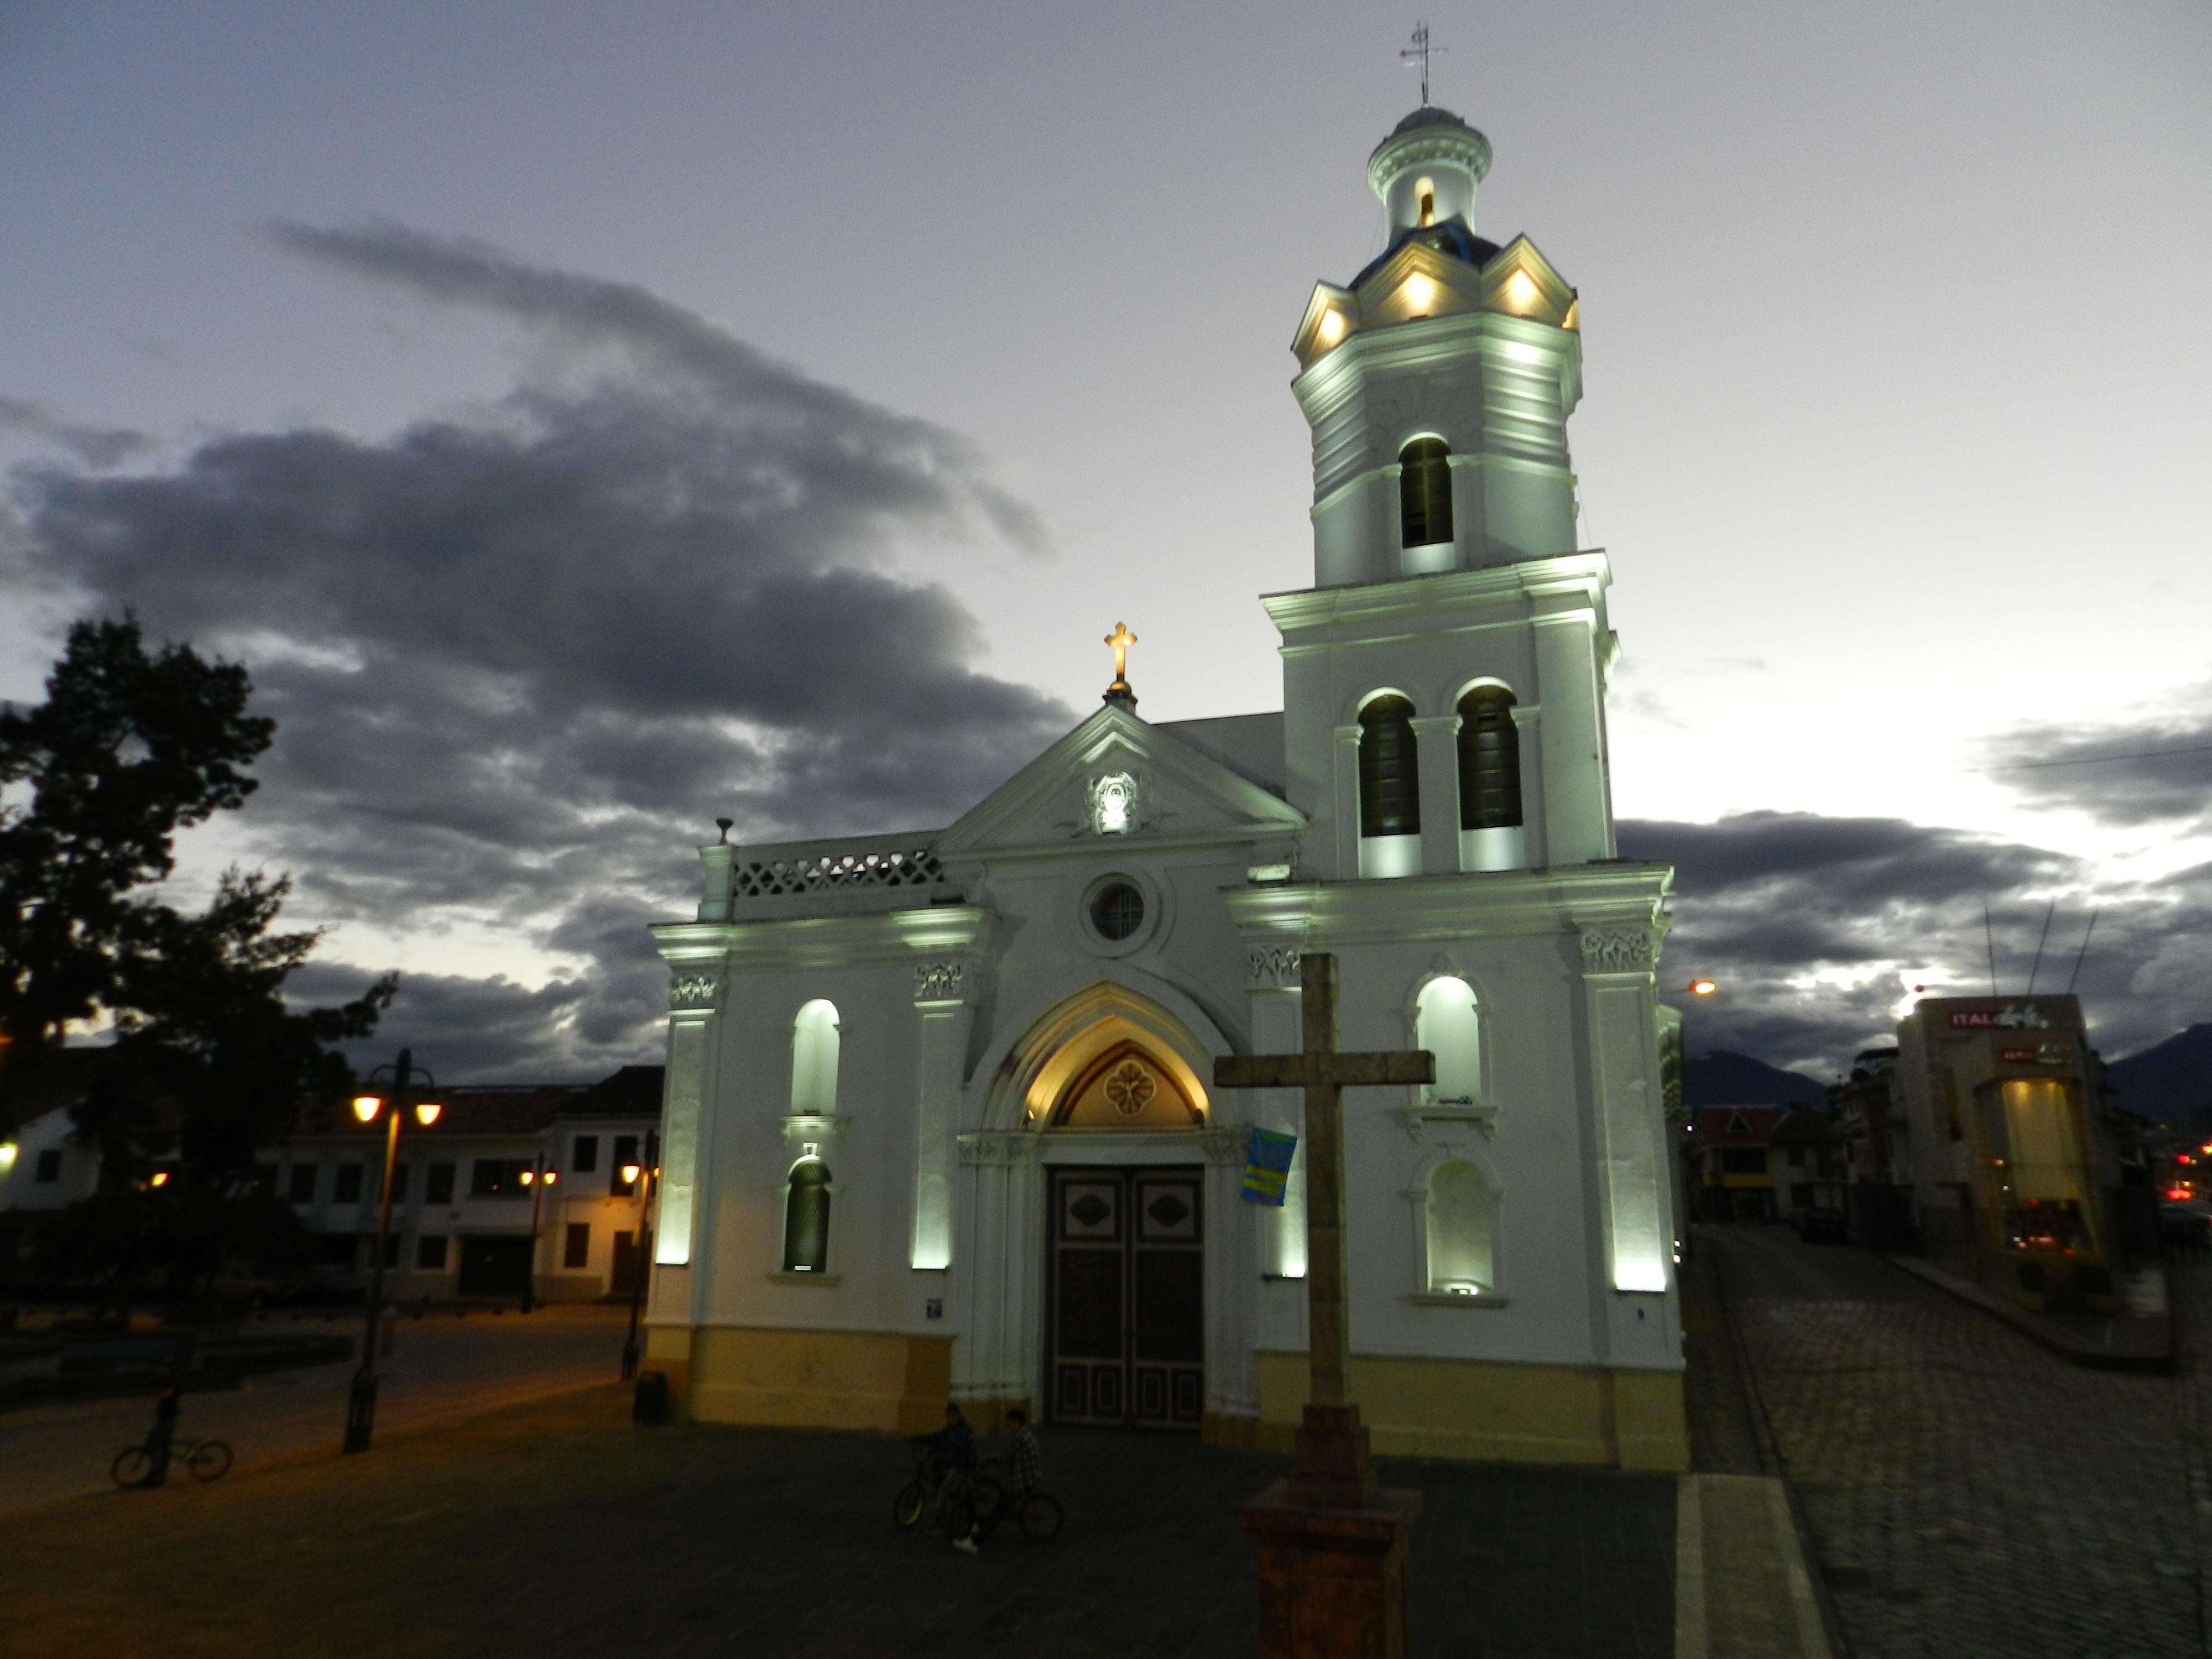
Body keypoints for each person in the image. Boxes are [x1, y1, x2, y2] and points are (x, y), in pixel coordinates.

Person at [920, 1402, 979, 1552]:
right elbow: (940, 1436)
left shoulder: (962, 1431)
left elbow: (952, 1449)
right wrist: (921, 1439)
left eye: (953, 1416)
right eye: (948, 1417)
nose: (950, 1419)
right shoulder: (953, 1429)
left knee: (946, 1490)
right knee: (962, 1493)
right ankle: (971, 1522)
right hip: (961, 1464)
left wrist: (935, 1450)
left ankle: (940, 1523)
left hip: (965, 1466)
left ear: (958, 1416)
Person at [140, 1375, 181, 1489]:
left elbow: (168, 1394)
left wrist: (154, 1397)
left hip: (167, 1420)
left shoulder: (173, 1381)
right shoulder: (168, 1380)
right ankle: (158, 1476)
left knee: (153, 1447)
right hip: (165, 1419)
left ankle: (156, 1476)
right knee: (163, 1448)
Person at [1002, 1407, 1044, 1500]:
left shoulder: (1019, 1437)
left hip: (1026, 1474)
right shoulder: (1026, 1433)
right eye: (1009, 1424)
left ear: (1019, 1423)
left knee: (1008, 1496)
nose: (1011, 1426)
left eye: (1013, 1423)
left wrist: (997, 1459)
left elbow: (1009, 1454)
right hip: (1035, 1471)